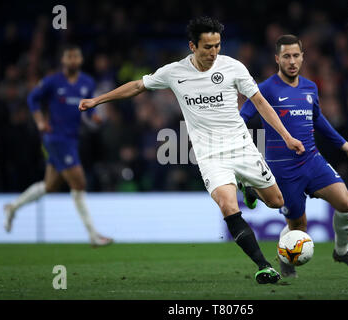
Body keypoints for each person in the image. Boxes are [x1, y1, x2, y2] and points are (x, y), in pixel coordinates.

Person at [78, 17, 305, 284]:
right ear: (192, 46)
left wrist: (287, 137)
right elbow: (139, 86)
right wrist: (98, 100)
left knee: (277, 202)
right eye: (207, 47)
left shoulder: (233, 68)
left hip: (242, 147)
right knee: (228, 206)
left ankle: (248, 186)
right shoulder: (175, 72)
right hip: (210, 155)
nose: (213, 52)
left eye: (217, 46)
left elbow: (260, 102)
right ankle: (263, 266)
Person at [239, 35, 348, 277]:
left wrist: (343, 144)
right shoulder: (265, 89)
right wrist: (243, 149)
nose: (292, 61)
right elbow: (243, 118)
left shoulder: (310, 87)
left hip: (312, 160)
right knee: (298, 228)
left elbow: (317, 118)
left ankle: (341, 251)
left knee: (346, 204)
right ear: (277, 59)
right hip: (283, 170)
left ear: (303, 57)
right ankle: (285, 256)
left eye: (296, 55)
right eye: (286, 56)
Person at [4, 45, 113, 248]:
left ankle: (12, 207)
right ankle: (93, 235)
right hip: (56, 139)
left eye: (76, 56)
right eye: (69, 56)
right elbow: (32, 99)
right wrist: (39, 120)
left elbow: (86, 109)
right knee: (79, 183)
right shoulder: (52, 81)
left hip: (72, 139)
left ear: (80, 60)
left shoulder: (87, 83)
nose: (72, 60)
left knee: (50, 186)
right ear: (63, 60)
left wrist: (94, 116)